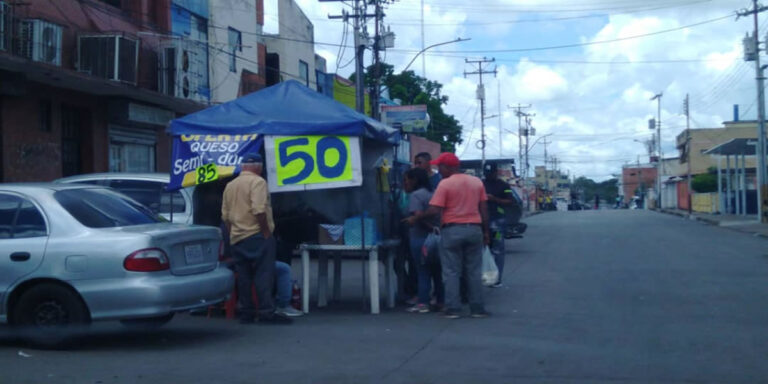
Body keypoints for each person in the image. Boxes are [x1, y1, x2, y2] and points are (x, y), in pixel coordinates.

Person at [415, 152, 490, 319]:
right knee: (473, 271)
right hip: (474, 229)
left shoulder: (445, 184)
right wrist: (486, 232)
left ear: (448, 167)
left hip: (452, 230)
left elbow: (435, 209)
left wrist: (418, 216)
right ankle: (477, 308)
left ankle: (453, 309)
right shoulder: (476, 182)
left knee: (451, 271)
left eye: (440, 166)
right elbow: (484, 209)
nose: (438, 170)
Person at [221, 153, 292, 324]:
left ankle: (247, 312)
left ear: (243, 166)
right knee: (263, 275)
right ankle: (266, 312)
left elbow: (225, 216)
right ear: (258, 167)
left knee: (244, 276)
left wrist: (233, 232)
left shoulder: (230, 185)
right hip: (257, 235)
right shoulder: (258, 182)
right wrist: (266, 231)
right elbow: (259, 210)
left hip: (237, 236)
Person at [402, 168, 444, 313]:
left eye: (406, 179)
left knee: (422, 271)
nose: (405, 183)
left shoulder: (416, 196)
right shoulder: (433, 193)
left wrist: (416, 222)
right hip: (437, 238)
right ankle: (440, 301)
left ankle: (423, 302)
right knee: (437, 271)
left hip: (420, 238)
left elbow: (418, 216)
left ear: (414, 180)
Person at [482, 163, 515, 288]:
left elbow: (510, 201)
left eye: (491, 173)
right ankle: (485, 278)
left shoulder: (504, 185)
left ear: (496, 172)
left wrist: (494, 199)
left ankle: (496, 279)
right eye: (487, 173)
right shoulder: (480, 184)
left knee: (497, 250)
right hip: (482, 221)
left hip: (497, 221)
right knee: (483, 250)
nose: (489, 176)